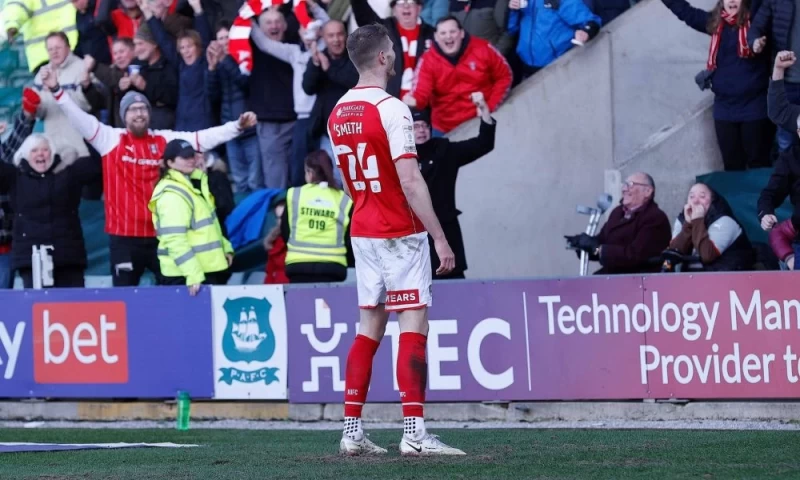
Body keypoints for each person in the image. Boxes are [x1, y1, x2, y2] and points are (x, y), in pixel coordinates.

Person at [328, 23, 465, 456]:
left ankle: (352, 431)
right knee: (413, 324)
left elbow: (347, 181)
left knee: (368, 327)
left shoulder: (338, 111)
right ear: (384, 58)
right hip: (399, 231)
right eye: (392, 50)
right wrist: (440, 238)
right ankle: (414, 433)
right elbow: (410, 180)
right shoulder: (392, 109)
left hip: (363, 229)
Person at [39, 66, 257, 287]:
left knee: (170, 296)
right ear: (124, 116)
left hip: (160, 238)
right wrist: (57, 90)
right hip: (124, 238)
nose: (139, 113)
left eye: (143, 108)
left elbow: (201, 139)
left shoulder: (163, 140)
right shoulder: (109, 139)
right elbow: (79, 119)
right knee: (125, 301)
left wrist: (237, 126)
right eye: (132, 109)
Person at [660, 0, 773, 171]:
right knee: (732, 167)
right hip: (724, 110)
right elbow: (686, 12)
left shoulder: (758, 22)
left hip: (754, 108)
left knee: (759, 165)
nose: (732, 1)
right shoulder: (714, 23)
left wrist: (758, 45)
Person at [0, 134, 101, 288]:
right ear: (26, 155)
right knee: (38, 309)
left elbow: (97, 164)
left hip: (68, 258)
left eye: (45, 150)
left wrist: (88, 133)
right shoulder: (15, 177)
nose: (40, 154)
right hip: (31, 259)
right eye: (34, 150)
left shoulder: (69, 173)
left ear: (52, 153)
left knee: (72, 309)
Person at [412, 101, 496, 279]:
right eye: (415, 126)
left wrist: (484, 112)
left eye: (424, 126)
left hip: (446, 231)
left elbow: (483, 144)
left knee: (454, 288)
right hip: (414, 234)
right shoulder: (401, 158)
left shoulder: (444, 151)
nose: (421, 130)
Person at [149, 139, 234, 294]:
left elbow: (211, 224)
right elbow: (175, 240)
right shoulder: (172, 194)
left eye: (192, 155)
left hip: (202, 271)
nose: (191, 160)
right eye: (184, 157)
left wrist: (225, 248)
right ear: (170, 163)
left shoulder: (194, 184)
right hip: (186, 276)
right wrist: (193, 274)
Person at [565, 172, 672, 274]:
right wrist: (583, 244)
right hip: (613, 276)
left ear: (647, 191)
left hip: (638, 280)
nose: (624, 189)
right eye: (624, 185)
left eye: (630, 185)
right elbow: (602, 242)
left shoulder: (655, 218)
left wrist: (596, 248)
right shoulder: (617, 213)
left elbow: (635, 256)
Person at [280, 150, 354, 283]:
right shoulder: (344, 199)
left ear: (309, 172)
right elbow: (350, 237)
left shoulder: (294, 194)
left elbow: (285, 231)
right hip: (333, 265)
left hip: (298, 264)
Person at [668, 182, 754, 271]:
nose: (695, 201)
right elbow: (674, 252)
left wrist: (698, 220)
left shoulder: (725, 221)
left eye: (702, 197)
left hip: (726, 277)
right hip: (691, 278)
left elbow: (707, 255)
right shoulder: (683, 219)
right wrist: (688, 225)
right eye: (691, 197)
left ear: (712, 201)